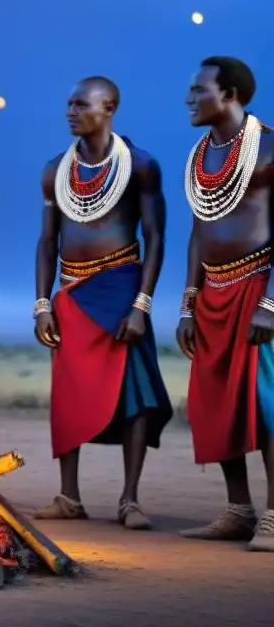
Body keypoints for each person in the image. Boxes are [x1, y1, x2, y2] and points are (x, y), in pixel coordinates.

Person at [32, 76, 172, 531]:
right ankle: (68, 496)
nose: (70, 111)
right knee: (68, 397)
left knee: (134, 394)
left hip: (122, 288)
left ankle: (129, 499)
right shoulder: (56, 169)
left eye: (80, 104)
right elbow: (47, 240)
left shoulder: (141, 166)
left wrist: (142, 305)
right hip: (71, 295)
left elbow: (155, 237)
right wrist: (41, 304)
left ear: (108, 107)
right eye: (68, 104)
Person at [176, 56, 274, 551]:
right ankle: (239, 511)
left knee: (267, 405)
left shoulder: (271, 146)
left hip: (259, 289)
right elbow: (198, 232)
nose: (189, 99)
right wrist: (188, 304)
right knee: (213, 405)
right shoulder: (199, 156)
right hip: (213, 293)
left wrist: (271, 304)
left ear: (230, 94)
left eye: (199, 90)